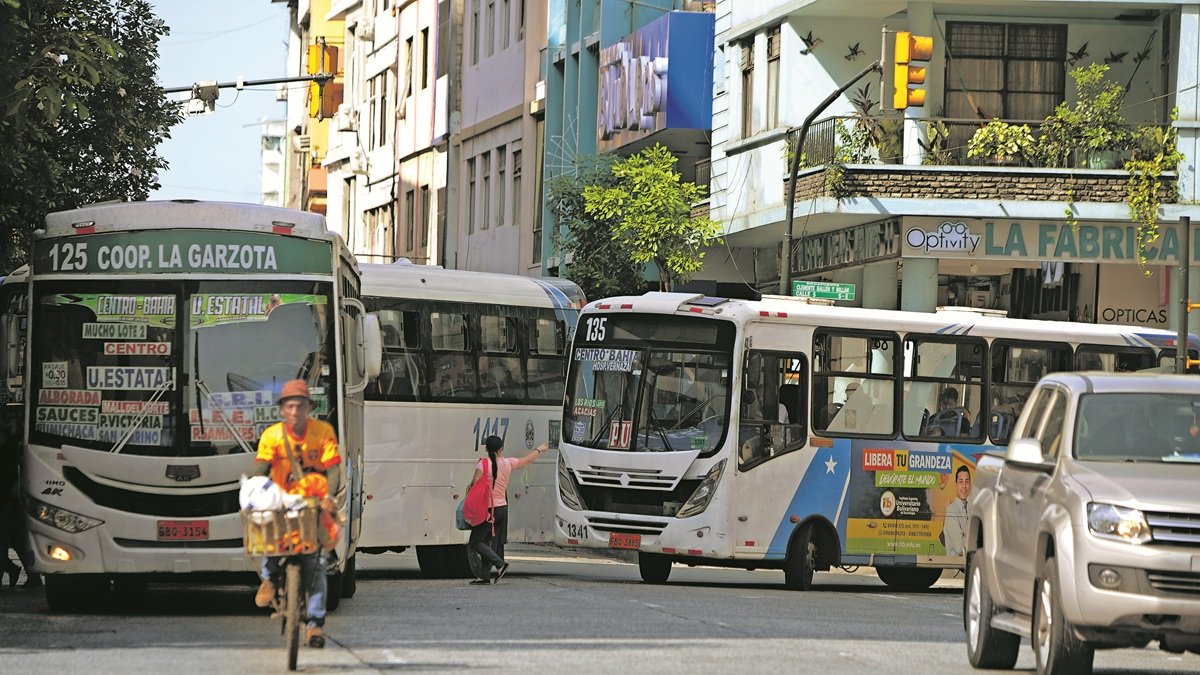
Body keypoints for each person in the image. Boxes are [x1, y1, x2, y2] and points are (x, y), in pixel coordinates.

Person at [251, 379, 342, 648]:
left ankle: (315, 625)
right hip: (280, 501)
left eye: (299, 406)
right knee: (269, 538)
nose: (294, 411)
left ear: (307, 408)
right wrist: (252, 489)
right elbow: (261, 467)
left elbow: (333, 468)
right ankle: (268, 579)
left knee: (315, 563)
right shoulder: (272, 436)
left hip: (313, 502)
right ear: (282, 409)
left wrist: (329, 496)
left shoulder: (323, 431)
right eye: (289, 406)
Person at [466, 435, 549, 585]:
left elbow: (474, 484)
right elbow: (527, 460)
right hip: (502, 509)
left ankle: (500, 564)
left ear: (486, 449)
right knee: (487, 541)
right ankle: (484, 576)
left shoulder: (483, 464)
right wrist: (539, 449)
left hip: (488, 510)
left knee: (475, 541)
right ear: (501, 449)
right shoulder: (508, 463)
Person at [1, 416, 40, 589]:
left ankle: (14, 570)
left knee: (4, 541)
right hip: (11, 500)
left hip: (9, 500)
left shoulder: (11, 448)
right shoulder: (11, 447)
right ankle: (30, 575)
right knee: (18, 540)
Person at [942, 465, 971, 557]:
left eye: (967, 481)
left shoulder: (971, 510)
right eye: (960, 481)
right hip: (955, 570)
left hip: (967, 569)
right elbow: (960, 548)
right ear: (955, 484)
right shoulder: (951, 510)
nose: (964, 486)